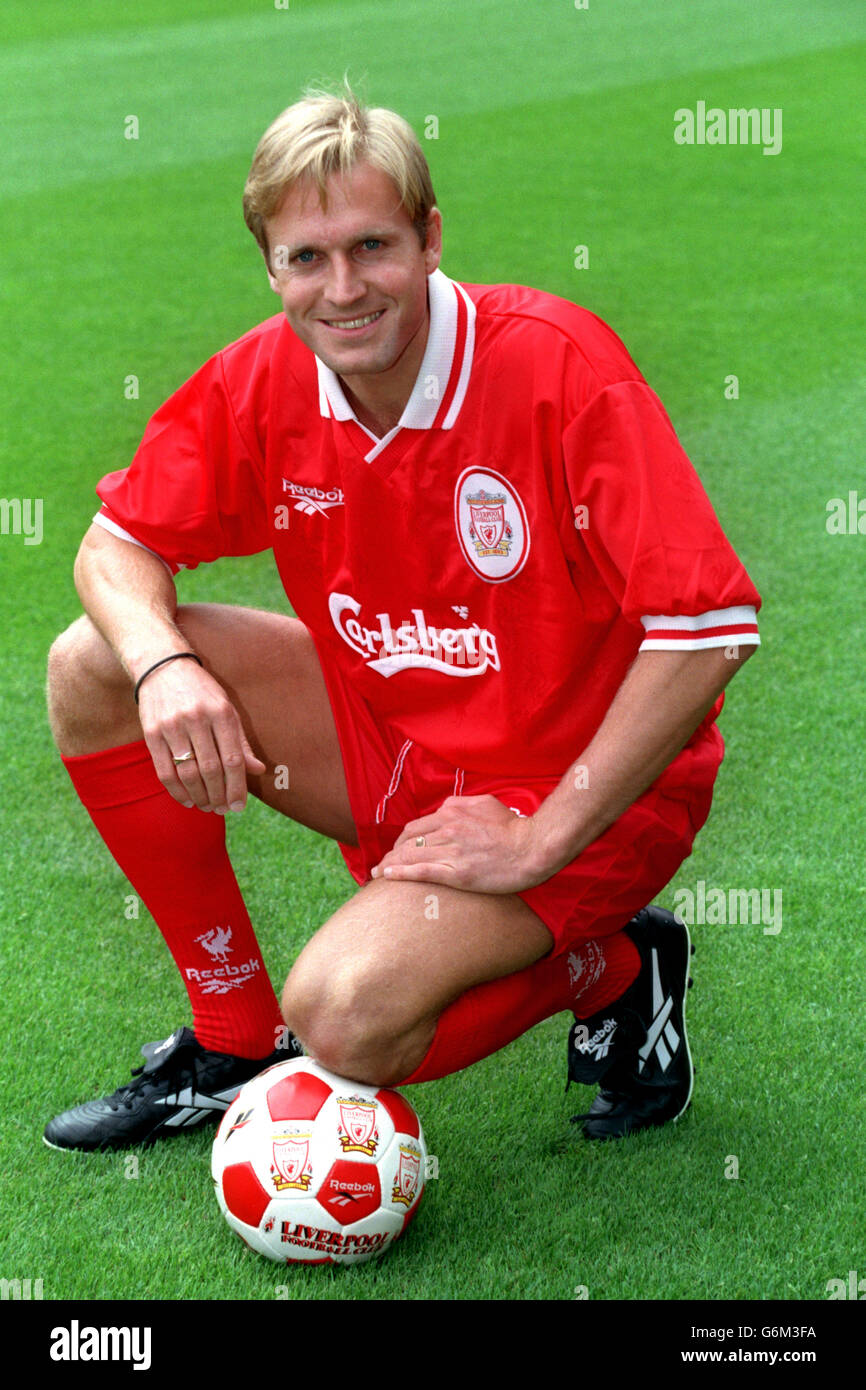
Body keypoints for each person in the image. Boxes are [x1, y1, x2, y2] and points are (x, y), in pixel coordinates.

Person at [43, 85, 760, 1153]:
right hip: (391, 749)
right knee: (95, 661)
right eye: (305, 258)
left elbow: (706, 627)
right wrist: (163, 669)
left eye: (371, 245)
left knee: (345, 1017)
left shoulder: (554, 364)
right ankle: (233, 1035)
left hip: (582, 787)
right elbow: (115, 546)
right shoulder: (265, 380)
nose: (342, 290)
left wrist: (541, 833)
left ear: (429, 239)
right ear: (271, 266)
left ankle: (610, 963)